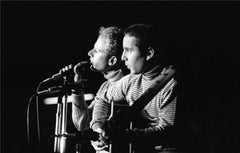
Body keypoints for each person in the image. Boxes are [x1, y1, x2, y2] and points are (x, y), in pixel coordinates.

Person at [90, 23, 180, 153]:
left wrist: (124, 135)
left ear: (149, 53)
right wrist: (98, 129)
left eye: (129, 50)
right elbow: (102, 98)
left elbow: (167, 130)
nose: (123, 57)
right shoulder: (131, 81)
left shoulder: (171, 84)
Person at [70, 26, 128, 151]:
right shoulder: (105, 87)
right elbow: (83, 125)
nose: (89, 53)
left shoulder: (127, 86)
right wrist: (77, 91)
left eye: (96, 51)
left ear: (112, 61)